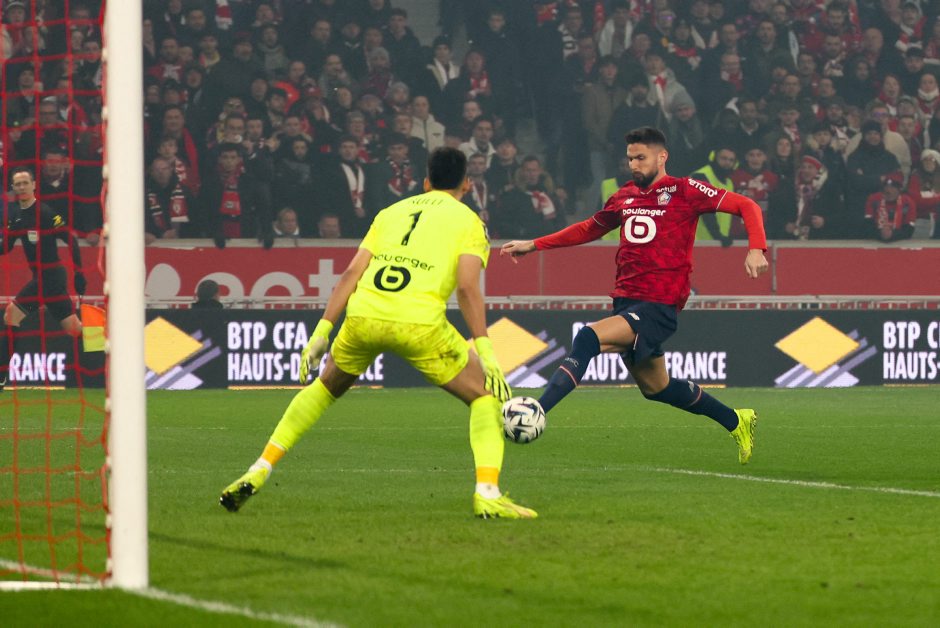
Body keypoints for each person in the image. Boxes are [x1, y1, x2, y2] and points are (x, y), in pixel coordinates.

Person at [220, 147, 536, 520]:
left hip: (364, 314)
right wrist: (486, 351)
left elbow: (350, 274)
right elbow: (467, 288)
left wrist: (322, 331)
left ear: (425, 182)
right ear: (467, 185)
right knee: (485, 396)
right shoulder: (470, 222)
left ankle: (260, 467)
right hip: (418, 322)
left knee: (324, 389)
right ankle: (488, 494)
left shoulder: (390, 212)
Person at [501, 127, 768, 464]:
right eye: (630, 158)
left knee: (587, 338)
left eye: (641, 158)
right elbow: (588, 229)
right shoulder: (624, 196)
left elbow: (747, 205)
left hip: (659, 305)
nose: (634, 165)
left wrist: (756, 249)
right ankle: (736, 420)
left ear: (662, 157)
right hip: (627, 301)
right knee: (657, 388)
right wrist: (534, 245)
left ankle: (536, 409)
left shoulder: (685, 190)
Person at [1, 168, 87, 391]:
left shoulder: (45, 212)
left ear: (34, 185)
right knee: (75, 329)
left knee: (11, 314)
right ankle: (116, 346)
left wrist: (79, 273)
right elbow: (5, 248)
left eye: (25, 183)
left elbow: (71, 240)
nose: (21, 187)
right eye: (17, 184)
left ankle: (2, 375)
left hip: (51, 276)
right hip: (45, 279)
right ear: (13, 188)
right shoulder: (16, 216)